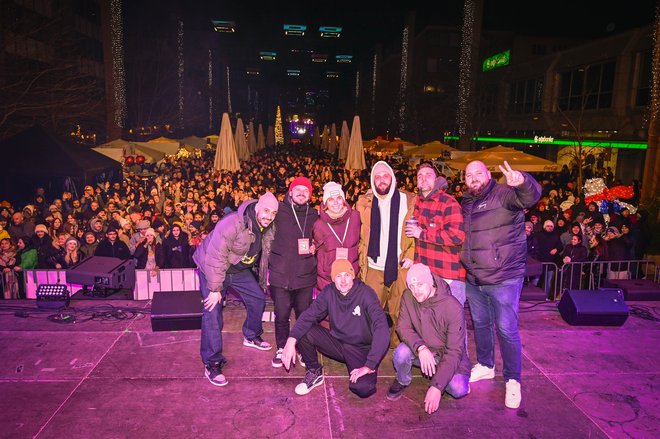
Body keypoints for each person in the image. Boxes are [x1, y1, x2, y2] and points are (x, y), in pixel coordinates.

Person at [460, 160, 541, 409]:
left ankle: (513, 380)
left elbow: (529, 197)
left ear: (488, 174)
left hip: (504, 278)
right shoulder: (466, 202)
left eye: (478, 173)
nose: (473, 178)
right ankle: (485, 365)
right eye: (468, 175)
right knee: (481, 325)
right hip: (474, 278)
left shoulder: (504, 194)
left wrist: (523, 181)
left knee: (506, 330)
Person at [193, 192, 279, 387]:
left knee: (257, 298)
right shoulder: (233, 222)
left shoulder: (269, 226)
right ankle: (212, 362)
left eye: (273, 213)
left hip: (238, 269)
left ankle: (251, 335)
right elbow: (216, 255)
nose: (269, 216)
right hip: (212, 267)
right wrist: (215, 289)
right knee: (212, 311)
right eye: (266, 211)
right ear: (257, 208)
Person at [280, 259, 389, 398]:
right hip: (337, 343)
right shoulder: (329, 292)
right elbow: (308, 315)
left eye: (346, 275)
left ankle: (361, 368)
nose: (343, 281)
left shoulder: (366, 294)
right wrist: (290, 341)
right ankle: (314, 371)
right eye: (338, 276)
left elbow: (382, 328)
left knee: (363, 388)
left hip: (360, 349)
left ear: (353, 276)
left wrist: (369, 364)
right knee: (303, 329)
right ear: (333, 280)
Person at [387, 264, 470, 414]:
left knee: (459, 389)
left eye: (420, 284)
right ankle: (402, 379)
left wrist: (437, 387)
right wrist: (421, 348)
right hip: (423, 348)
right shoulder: (408, 296)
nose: (415, 291)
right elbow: (403, 327)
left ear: (430, 282)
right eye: (411, 286)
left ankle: (439, 373)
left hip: (446, 354)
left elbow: (454, 351)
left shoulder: (453, 307)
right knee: (400, 353)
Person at [356, 161, 416, 347]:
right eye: (377, 176)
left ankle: (399, 352)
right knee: (370, 312)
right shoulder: (364, 202)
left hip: (399, 266)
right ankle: (372, 347)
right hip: (373, 266)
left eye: (385, 176)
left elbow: (417, 232)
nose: (382, 180)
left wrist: (412, 254)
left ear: (393, 178)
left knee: (401, 312)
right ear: (373, 181)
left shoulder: (409, 201)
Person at [269, 177, 319, 368]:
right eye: (297, 189)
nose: (301, 193)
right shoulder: (278, 211)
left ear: (310, 195)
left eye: (305, 190)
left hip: (305, 275)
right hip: (280, 274)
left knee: (304, 316)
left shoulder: (314, 214)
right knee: (281, 315)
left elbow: (323, 236)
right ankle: (282, 347)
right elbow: (256, 210)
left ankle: (303, 349)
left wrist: (316, 245)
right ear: (290, 192)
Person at [312, 181, 361, 291]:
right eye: (330, 199)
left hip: (350, 276)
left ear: (343, 200)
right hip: (327, 279)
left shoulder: (355, 217)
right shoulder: (319, 224)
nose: (335, 203)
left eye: (338, 198)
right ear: (325, 203)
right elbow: (315, 246)